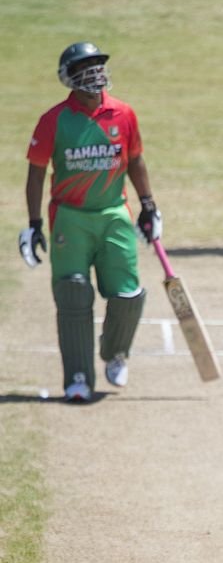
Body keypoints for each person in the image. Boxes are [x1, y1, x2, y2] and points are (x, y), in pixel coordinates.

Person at [19, 41, 163, 402]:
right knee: (73, 295)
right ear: (69, 78)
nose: (96, 72)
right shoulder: (54, 120)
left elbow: (136, 161)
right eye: (87, 67)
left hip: (114, 213)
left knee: (128, 294)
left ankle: (115, 353)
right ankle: (78, 376)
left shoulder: (123, 114)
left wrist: (149, 206)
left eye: (99, 65)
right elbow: (36, 173)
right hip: (70, 218)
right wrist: (34, 223)